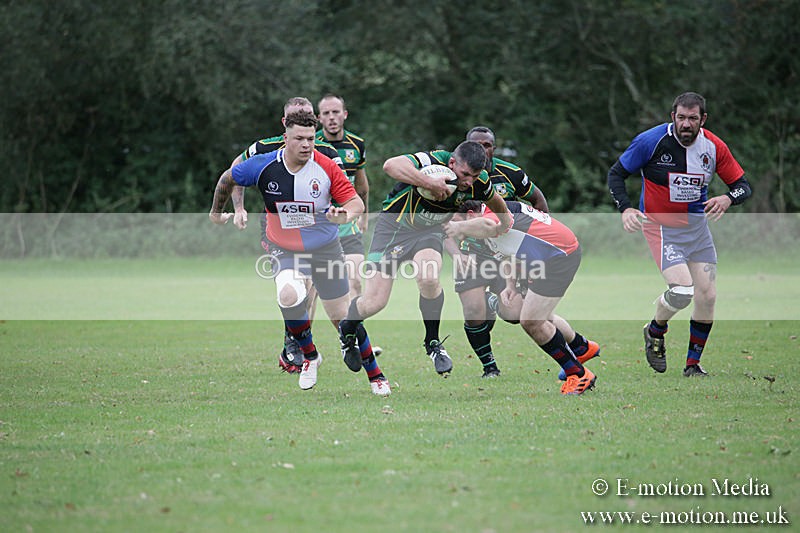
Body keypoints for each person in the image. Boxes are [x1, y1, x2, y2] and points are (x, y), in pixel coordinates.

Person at [209, 110, 391, 395]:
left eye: (310, 139)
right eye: (299, 139)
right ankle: (310, 356)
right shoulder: (264, 165)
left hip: (325, 249)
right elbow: (227, 178)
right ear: (286, 139)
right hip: (284, 248)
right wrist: (216, 213)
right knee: (289, 294)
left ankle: (376, 376)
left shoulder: (327, 167)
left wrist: (344, 215)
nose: (306, 145)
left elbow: (355, 202)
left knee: (342, 318)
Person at [607, 91, 752, 377]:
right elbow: (616, 174)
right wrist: (625, 208)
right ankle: (655, 329)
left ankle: (692, 365)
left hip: (697, 229)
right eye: (682, 118)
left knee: (707, 295)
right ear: (673, 116)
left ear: (703, 120)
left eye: (693, 119)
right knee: (683, 291)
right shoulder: (650, 141)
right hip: (661, 228)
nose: (687, 124)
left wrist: (727, 199)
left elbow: (743, 186)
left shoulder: (713, 148)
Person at [338, 141, 512, 376]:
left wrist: (503, 223)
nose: (469, 181)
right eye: (465, 174)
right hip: (393, 228)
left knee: (429, 278)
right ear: (452, 163)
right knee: (374, 302)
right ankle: (347, 329)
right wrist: (428, 182)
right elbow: (391, 165)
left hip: (428, 231)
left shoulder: (477, 182)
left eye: (475, 175)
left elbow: (494, 200)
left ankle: (432, 343)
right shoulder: (435, 160)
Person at [451, 126, 586, 378]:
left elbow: (491, 225)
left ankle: (577, 365)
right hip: (516, 252)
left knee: (524, 318)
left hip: (553, 254)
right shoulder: (454, 176)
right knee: (522, 316)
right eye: (476, 144)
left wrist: (456, 227)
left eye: (487, 144)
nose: (482, 149)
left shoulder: (503, 189)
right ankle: (576, 362)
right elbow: (506, 248)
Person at [229, 97, 344, 374]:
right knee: (297, 285)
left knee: (311, 288)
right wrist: (239, 207)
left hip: (316, 228)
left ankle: (304, 344)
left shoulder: (324, 152)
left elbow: (342, 187)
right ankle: (296, 345)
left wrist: (341, 212)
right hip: (279, 227)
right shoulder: (263, 148)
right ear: (285, 122)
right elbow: (233, 172)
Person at [444, 200, 597, 395]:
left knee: (531, 321)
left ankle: (577, 373)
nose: (455, 232)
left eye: (456, 221)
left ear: (472, 215)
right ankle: (582, 349)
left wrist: (456, 226)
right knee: (539, 317)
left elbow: (491, 225)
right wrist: (510, 284)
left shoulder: (492, 217)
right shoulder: (484, 229)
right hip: (547, 259)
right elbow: (510, 252)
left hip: (559, 257)